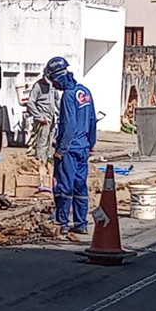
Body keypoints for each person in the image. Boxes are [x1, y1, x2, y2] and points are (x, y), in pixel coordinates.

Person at [44, 56, 97, 235]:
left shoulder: (67, 96)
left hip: (70, 149)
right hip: (83, 148)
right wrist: (91, 143)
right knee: (80, 185)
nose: (53, 87)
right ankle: (81, 223)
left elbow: (69, 125)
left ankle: (62, 222)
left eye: (53, 82)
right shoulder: (85, 92)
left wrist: (61, 150)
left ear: (57, 78)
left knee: (63, 186)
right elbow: (92, 120)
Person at [26, 68, 61, 190]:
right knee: (41, 144)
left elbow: (57, 99)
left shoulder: (52, 85)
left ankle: (46, 163)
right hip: (42, 120)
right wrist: (39, 116)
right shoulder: (38, 86)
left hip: (51, 119)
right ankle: (40, 165)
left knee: (48, 143)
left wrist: (61, 110)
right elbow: (30, 103)